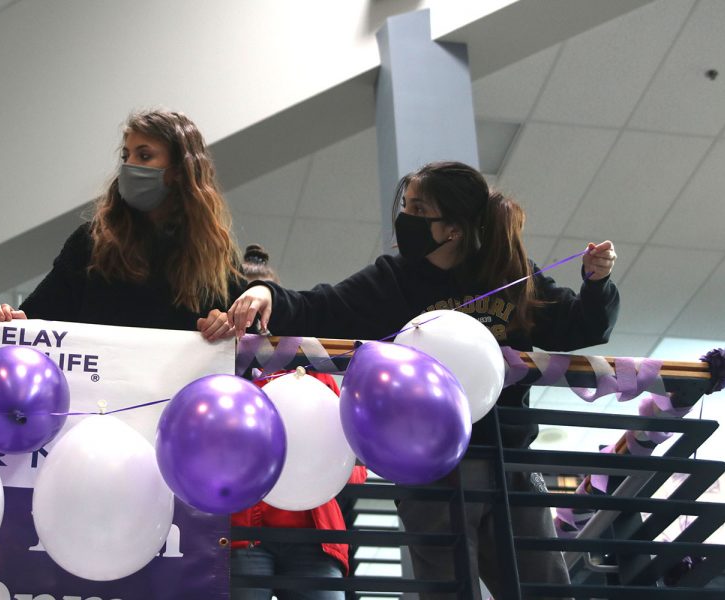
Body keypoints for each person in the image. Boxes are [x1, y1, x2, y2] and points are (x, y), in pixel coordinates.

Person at [210, 161, 619, 600]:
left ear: (453, 229)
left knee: (543, 588)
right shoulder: (393, 280)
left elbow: (580, 328)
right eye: (405, 205)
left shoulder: (508, 272)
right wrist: (266, 293)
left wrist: (598, 283)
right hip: (430, 473)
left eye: (418, 208)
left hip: (507, 462)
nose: (405, 217)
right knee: (446, 591)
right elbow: (321, 305)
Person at [0, 108, 241, 336]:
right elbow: (34, 321)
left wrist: (226, 324)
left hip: (179, 392)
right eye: (125, 156)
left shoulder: (212, 253)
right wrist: (4, 320)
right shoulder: (91, 242)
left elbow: (256, 332)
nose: (129, 166)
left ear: (178, 171)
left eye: (144, 156)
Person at [226, 244, 367, 600]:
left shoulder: (317, 374)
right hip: (241, 532)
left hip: (316, 537)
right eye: (244, 310)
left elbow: (354, 468)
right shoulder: (220, 375)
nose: (254, 320)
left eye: (261, 310)